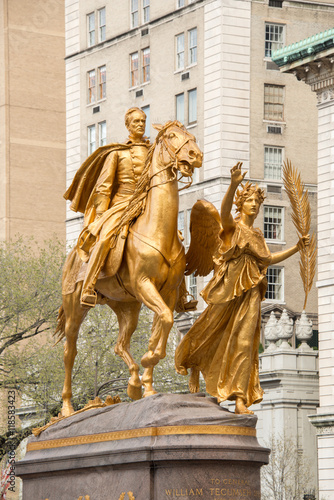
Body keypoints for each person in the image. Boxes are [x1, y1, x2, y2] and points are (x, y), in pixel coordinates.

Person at [175, 162, 309, 415]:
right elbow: (224, 211)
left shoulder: (257, 235)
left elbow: (267, 260)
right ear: (241, 203)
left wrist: (297, 248)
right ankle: (194, 360)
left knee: (246, 343)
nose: (255, 206)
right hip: (227, 295)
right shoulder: (231, 228)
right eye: (250, 201)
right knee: (210, 332)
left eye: (257, 203)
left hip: (250, 295)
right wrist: (234, 183)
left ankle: (239, 398)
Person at [65, 107, 151, 307]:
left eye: (142, 121)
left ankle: (180, 295)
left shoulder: (153, 151)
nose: (140, 125)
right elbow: (104, 186)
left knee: (173, 237)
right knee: (104, 239)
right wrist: (102, 215)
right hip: (121, 205)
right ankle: (89, 284)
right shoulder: (117, 153)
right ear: (128, 125)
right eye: (136, 121)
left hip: (146, 204)